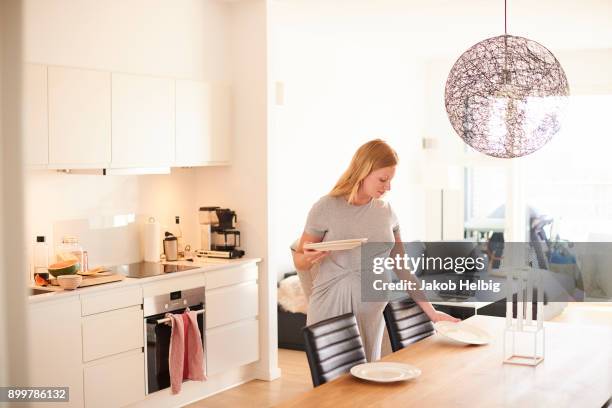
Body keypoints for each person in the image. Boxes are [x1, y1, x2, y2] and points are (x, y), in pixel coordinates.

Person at [293, 139, 458, 361]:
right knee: (336, 388)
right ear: (363, 171)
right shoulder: (326, 207)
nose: (388, 186)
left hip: (372, 315)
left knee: (368, 383)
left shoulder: (386, 211)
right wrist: (310, 258)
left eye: (390, 180)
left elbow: (403, 269)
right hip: (332, 311)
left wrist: (432, 313)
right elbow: (300, 261)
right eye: (383, 179)